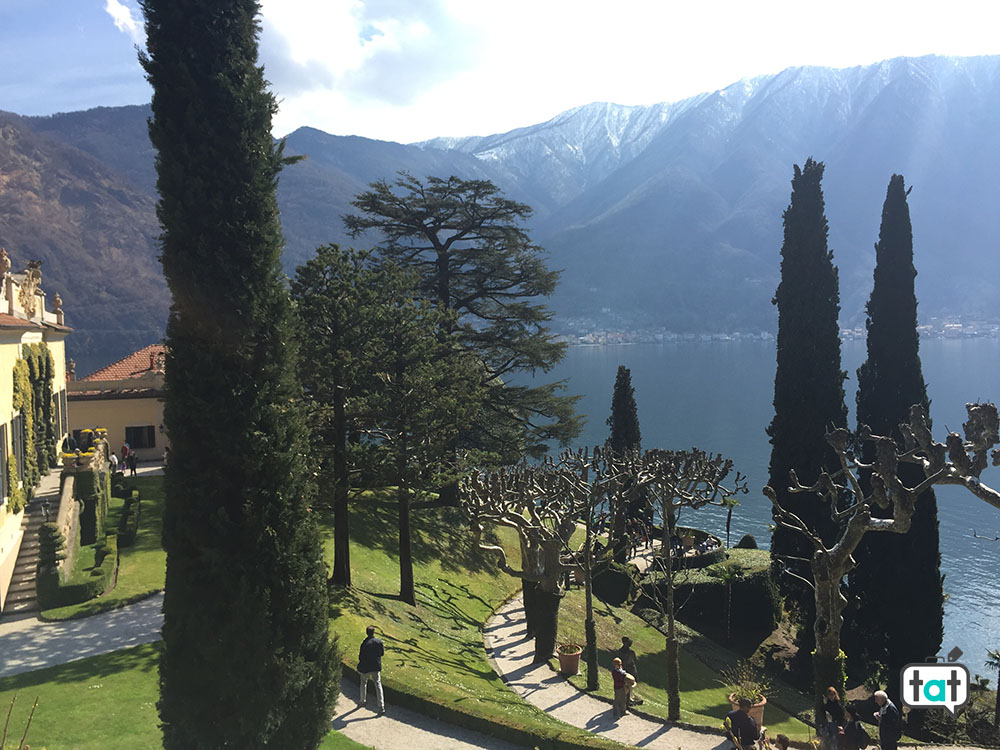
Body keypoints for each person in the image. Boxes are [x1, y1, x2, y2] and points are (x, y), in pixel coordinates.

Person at [358, 625, 385, 714]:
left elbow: (361, 657)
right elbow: (381, 654)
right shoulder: (379, 642)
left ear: (367, 633)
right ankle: (381, 706)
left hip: (366, 667)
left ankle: (362, 701)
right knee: (378, 685)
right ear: (374, 632)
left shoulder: (364, 643)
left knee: (363, 683)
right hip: (375, 667)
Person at [616, 636, 643, 706]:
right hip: (630, 670)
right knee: (629, 685)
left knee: (626, 686)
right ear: (625, 643)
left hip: (624, 670)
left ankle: (626, 700)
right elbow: (634, 660)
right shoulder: (631, 652)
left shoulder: (620, 651)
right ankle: (627, 702)